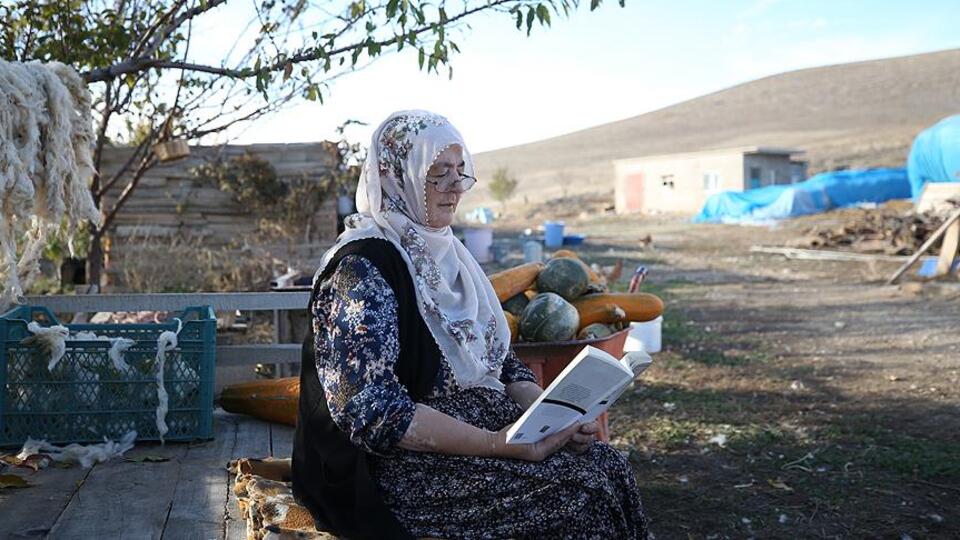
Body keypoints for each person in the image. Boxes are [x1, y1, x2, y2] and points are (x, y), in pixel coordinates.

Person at [292, 110, 650, 539]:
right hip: (398, 466)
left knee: (608, 465)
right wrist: (499, 444)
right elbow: (374, 414)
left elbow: (500, 363)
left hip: (486, 434)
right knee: (579, 495)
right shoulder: (362, 270)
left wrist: (551, 416)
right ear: (397, 176)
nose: (454, 189)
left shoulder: (450, 256)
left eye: (461, 174)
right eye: (438, 175)